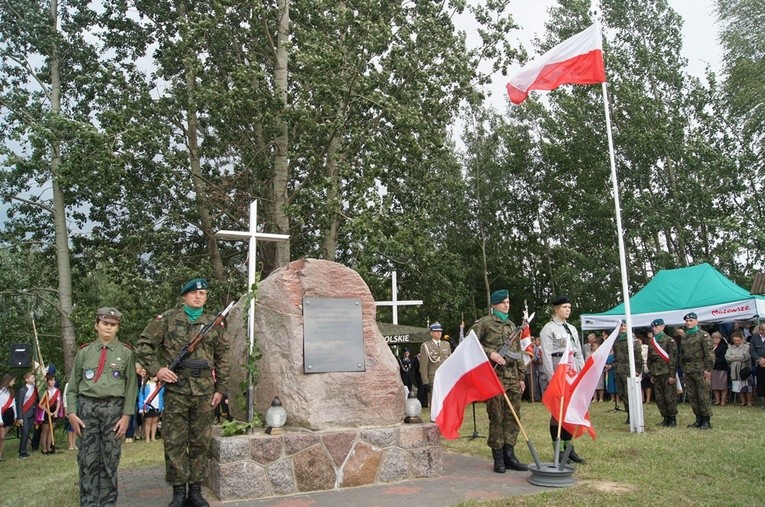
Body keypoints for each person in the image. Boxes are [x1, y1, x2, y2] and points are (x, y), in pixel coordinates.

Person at [136, 277, 231, 507]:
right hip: (176, 391)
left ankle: (195, 490)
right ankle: (178, 491)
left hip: (205, 392)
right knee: (174, 442)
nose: (199, 297)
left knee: (200, 442)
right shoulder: (168, 320)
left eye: (203, 293)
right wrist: (157, 370)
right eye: (194, 293)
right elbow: (143, 345)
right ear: (184, 296)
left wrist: (220, 389)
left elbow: (223, 357)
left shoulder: (213, 323)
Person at [66, 307, 138, 506]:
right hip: (87, 409)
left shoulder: (126, 353)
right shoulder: (84, 352)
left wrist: (127, 416)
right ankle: (88, 503)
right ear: (96, 325)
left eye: (113, 325)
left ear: (118, 328)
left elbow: (132, 387)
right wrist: (71, 412)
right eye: (105, 323)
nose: (109, 328)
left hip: (114, 410)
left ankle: (107, 503)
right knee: (87, 460)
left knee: (110, 459)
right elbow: (72, 387)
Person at [471, 289, 528, 473]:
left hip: (512, 377)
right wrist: (491, 353)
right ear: (494, 305)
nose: (506, 305)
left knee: (513, 417)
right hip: (494, 378)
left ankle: (509, 455)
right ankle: (498, 458)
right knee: (497, 417)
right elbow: (470, 343)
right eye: (503, 302)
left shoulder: (512, 326)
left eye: (508, 302)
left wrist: (521, 377)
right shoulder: (484, 323)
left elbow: (518, 352)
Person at [539, 295, 585, 465]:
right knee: (557, 413)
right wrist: (552, 378)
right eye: (565, 307)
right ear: (556, 309)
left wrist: (582, 373)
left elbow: (578, 352)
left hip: (572, 373)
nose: (568, 310)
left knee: (570, 411)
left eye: (569, 307)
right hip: (558, 371)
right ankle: (558, 450)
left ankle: (569, 449)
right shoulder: (548, 329)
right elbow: (546, 355)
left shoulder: (572, 328)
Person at [680, 312, 713, 429]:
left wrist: (708, 369)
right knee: (692, 395)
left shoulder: (703, 335)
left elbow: (709, 354)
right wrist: (683, 368)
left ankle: (706, 420)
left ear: (696, 322)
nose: (689, 323)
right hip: (688, 369)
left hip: (700, 369)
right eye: (687, 321)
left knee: (703, 395)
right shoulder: (685, 336)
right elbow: (682, 354)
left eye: (691, 320)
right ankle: (698, 418)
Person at [647, 319, 678, 427]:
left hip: (667, 372)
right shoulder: (651, 341)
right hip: (656, 372)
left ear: (663, 327)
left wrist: (672, 375)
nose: (654, 328)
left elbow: (673, 359)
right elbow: (649, 358)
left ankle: (672, 418)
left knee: (670, 396)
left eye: (657, 326)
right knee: (659, 398)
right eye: (653, 327)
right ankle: (665, 417)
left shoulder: (669, 340)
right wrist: (651, 372)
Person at [613, 321, 644, 423]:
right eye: (621, 326)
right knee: (622, 393)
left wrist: (638, 370)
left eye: (625, 325)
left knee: (630, 393)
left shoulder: (633, 339)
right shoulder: (616, 339)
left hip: (629, 369)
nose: (623, 327)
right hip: (619, 369)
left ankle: (634, 415)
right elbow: (615, 354)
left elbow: (638, 355)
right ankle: (629, 413)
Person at [419, 322, 451, 409]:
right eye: (436, 331)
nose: (439, 333)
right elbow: (423, 366)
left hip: (445, 378)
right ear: (431, 333)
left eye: (440, 331)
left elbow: (449, 362)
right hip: (433, 379)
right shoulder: (426, 346)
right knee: (435, 404)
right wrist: (425, 381)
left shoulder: (446, 344)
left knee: (445, 403)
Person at [37, 373, 63, 454]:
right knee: (45, 429)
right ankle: (44, 449)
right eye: (51, 380)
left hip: (54, 411)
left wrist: (56, 411)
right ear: (47, 381)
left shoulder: (57, 390)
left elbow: (58, 402)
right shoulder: (44, 391)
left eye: (54, 380)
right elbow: (40, 405)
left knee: (51, 430)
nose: (53, 382)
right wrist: (48, 412)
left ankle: (49, 447)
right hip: (45, 411)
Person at [15, 370, 38, 458]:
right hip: (24, 414)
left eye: (34, 377)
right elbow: (19, 404)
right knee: (24, 432)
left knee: (28, 432)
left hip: (32, 414)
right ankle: (22, 452)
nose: (34, 378)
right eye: (32, 377)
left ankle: (24, 450)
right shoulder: (22, 390)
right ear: (27, 379)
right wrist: (20, 417)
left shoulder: (35, 389)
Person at [726, 330, 753, 406]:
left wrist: (733, 357)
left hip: (745, 369)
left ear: (741, 339)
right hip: (734, 370)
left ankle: (749, 402)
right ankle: (743, 401)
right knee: (738, 386)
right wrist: (738, 357)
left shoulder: (747, 346)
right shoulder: (730, 348)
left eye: (738, 340)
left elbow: (746, 357)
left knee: (747, 387)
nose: (737, 342)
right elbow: (727, 357)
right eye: (735, 341)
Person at [138, 375, 164, 442]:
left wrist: (162, 406)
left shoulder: (160, 385)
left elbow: (162, 396)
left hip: (157, 406)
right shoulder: (145, 385)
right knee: (148, 422)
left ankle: (153, 437)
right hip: (148, 406)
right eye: (154, 376)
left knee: (155, 421)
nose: (155, 378)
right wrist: (141, 407)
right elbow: (141, 396)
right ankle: (147, 438)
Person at [0, 373, 17, 461]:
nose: (14, 382)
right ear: (8, 380)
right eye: (13, 380)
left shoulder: (11, 391)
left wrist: (15, 415)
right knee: (1, 436)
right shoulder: (1, 392)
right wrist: (0, 420)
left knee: (3, 438)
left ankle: (0, 455)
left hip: (10, 414)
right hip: (2, 415)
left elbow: (13, 404)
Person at [710, 332, 729, 406]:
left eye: (718, 338)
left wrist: (714, 360)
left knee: (722, 385)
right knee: (715, 385)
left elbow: (723, 357)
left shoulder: (724, 346)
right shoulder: (709, 346)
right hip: (712, 368)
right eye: (715, 338)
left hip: (722, 367)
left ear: (720, 339)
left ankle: (723, 400)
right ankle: (717, 400)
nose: (716, 340)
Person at [750, 323, 765, 408]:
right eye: (764, 329)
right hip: (760, 364)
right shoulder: (754, 338)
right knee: (762, 383)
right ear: (760, 330)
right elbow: (752, 350)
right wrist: (759, 360)